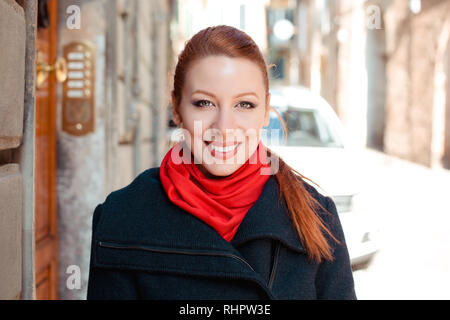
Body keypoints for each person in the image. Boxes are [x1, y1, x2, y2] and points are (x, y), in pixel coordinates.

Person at [86, 25, 356, 300]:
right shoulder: (122, 218)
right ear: (177, 108)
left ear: (265, 111)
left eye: (245, 105)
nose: (224, 127)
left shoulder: (318, 217)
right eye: (204, 103)